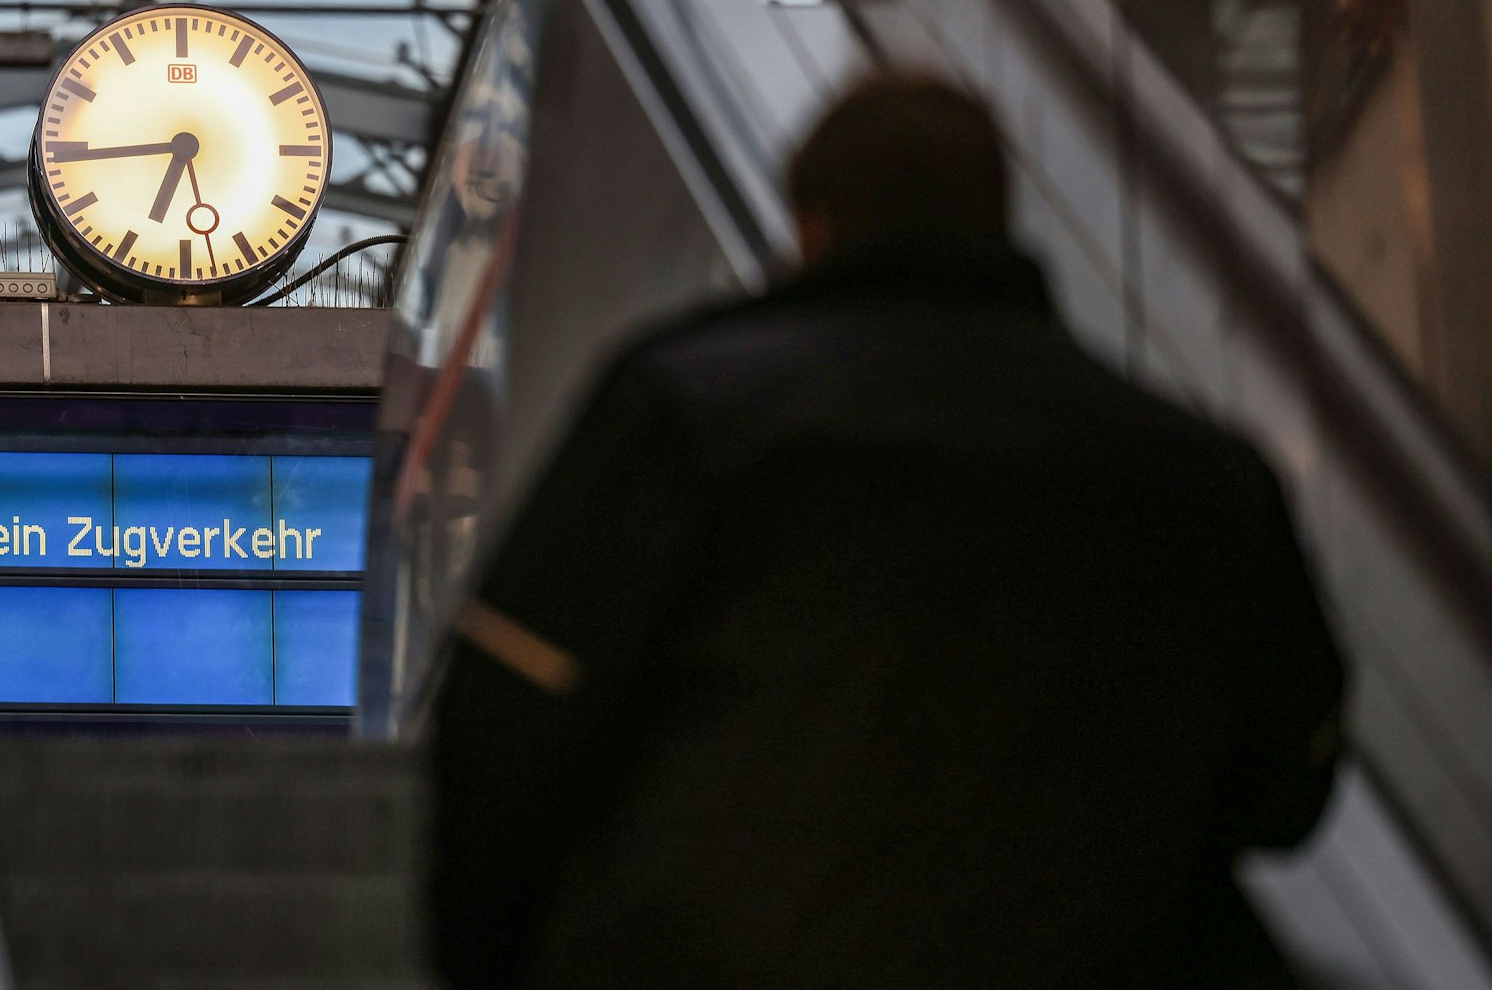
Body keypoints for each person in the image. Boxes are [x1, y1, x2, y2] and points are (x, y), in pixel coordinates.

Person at [426, 77, 1345, 988]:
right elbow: (1285, 783)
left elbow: (506, 727)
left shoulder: (687, 407)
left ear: (813, 226)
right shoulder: (1204, 473)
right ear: (997, 217)